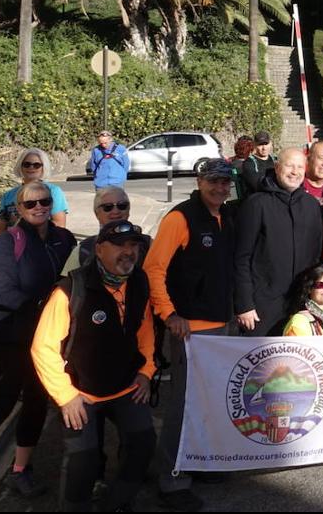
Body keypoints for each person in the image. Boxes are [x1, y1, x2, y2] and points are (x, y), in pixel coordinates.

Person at [31, 220, 155, 511]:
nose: (128, 252)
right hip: (80, 392)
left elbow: (145, 331)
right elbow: (43, 347)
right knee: (81, 463)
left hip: (126, 386)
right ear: (99, 250)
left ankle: (118, 502)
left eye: (133, 245)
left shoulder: (139, 281)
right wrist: (66, 396)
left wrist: (146, 372)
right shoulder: (70, 289)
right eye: (119, 246)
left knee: (143, 444)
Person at [0, 181, 75, 497]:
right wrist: (48, 308)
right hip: (7, 340)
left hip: (44, 343)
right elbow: (4, 292)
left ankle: (19, 470)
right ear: (18, 208)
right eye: (30, 203)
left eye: (44, 201)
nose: (39, 207)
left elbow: (74, 279)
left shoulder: (64, 240)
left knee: (36, 403)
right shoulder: (6, 244)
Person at [145, 158, 237, 509]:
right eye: (213, 181)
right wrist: (169, 314)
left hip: (219, 324)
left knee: (208, 404)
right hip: (190, 330)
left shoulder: (226, 216)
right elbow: (154, 268)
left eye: (225, 183)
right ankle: (171, 478)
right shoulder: (180, 217)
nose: (219, 188)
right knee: (183, 407)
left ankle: (198, 464)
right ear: (200, 181)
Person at [234, 148, 323, 337]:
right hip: (261, 307)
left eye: (300, 166)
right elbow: (240, 257)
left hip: (301, 305)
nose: (294, 171)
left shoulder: (312, 205)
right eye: (289, 165)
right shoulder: (256, 204)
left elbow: (317, 256)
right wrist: (244, 304)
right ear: (276, 167)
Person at [0, 148, 70, 234]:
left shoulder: (53, 191)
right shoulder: (8, 196)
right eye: (27, 164)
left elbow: (60, 225)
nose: (31, 168)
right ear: (20, 166)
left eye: (36, 165)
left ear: (43, 167)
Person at [77, 185, 151, 269]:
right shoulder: (84, 249)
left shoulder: (148, 245)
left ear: (128, 210)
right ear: (97, 213)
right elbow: (71, 280)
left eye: (122, 205)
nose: (116, 211)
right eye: (107, 207)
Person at [239, 130, 276, 196]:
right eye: (260, 145)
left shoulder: (274, 160)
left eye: (266, 144)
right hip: (257, 199)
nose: (264, 148)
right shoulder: (249, 163)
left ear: (271, 143)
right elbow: (258, 186)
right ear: (254, 145)